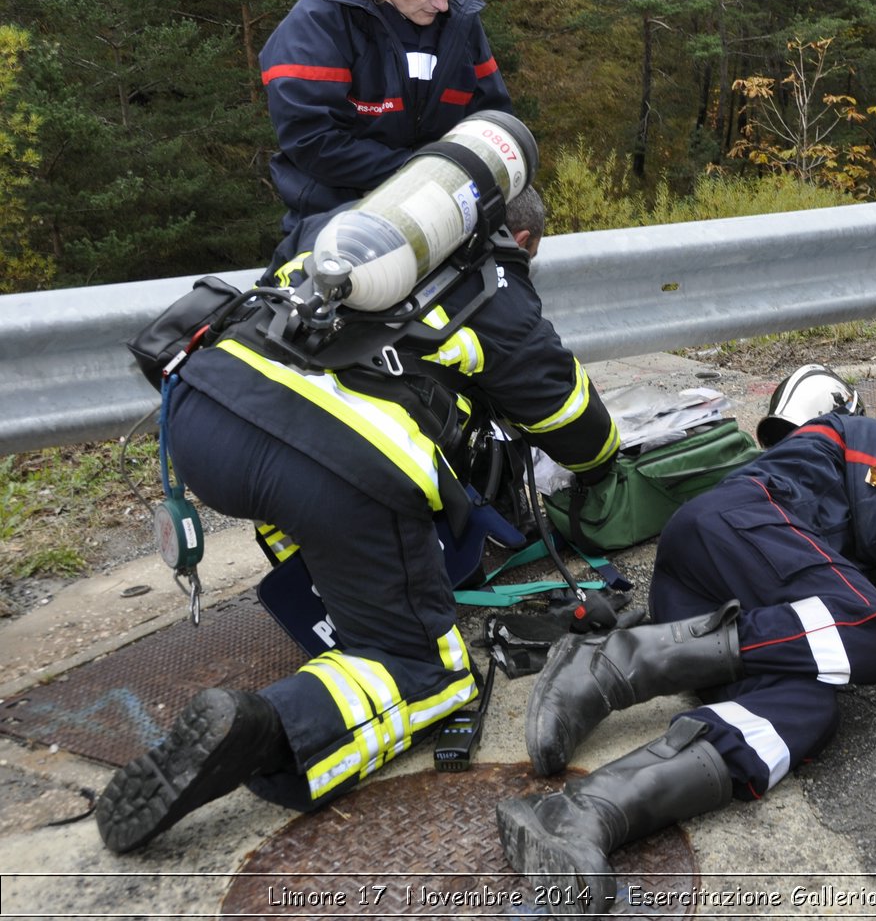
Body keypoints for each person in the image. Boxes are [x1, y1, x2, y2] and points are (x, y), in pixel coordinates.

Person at [95, 182, 619, 853]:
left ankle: (338, 588)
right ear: (521, 240)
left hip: (202, 412)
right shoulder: (490, 288)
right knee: (428, 669)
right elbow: (576, 423)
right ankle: (268, 726)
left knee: (320, 504)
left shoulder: (348, 226)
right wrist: (604, 465)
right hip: (325, 465)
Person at [496, 364, 876, 911]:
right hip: (739, 530)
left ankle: (585, 812)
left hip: (705, 597)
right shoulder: (873, 436)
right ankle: (620, 661)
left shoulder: (825, 512)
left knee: (806, 707)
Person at [258, 0, 513, 232]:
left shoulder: (460, 22)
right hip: (337, 221)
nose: (441, 3)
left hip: (444, 219)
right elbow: (314, 142)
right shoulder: (321, 22)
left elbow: (493, 120)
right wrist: (426, 172)